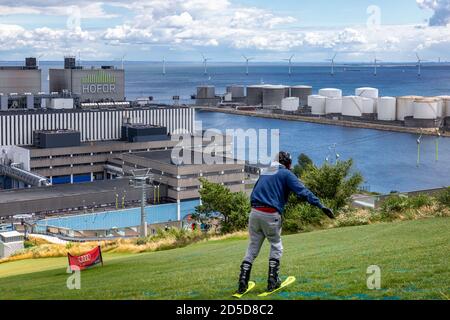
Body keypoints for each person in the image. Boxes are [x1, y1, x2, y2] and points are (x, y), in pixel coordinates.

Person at [236, 151, 335, 294]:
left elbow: (254, 192)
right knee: (276, 246)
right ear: (288, 163)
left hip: (254, 213)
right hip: (270, 214)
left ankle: (242, 283)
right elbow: (303, 192)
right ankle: (272, 281)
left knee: (252, 248)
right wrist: (321, 206)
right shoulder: (286, 174)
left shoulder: (266, 172)